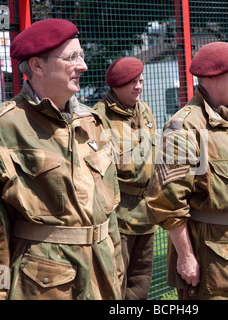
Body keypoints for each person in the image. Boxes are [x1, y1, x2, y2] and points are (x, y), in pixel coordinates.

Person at [0, 19, 123, 300]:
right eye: (73, 57)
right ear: (37, 66)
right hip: (44, 286)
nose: (83, 66)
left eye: (82, 55)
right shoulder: (3, 127)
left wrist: (117, 272)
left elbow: (111, 214)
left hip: (102, 276)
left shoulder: (92, 122)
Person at [146, 41, 228, 300]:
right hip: (213, 265)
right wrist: (186, 257)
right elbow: (167, 204)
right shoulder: (186, 128)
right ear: (210, 78)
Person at [92, 57, 156, 300]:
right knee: (115, 285)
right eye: (132, 82)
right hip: (118, 220)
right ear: (116, 86)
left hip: (146, 215)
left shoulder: (144, 111)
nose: (139, 86)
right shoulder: (99, 118)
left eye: (140, 81)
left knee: (140, 285)